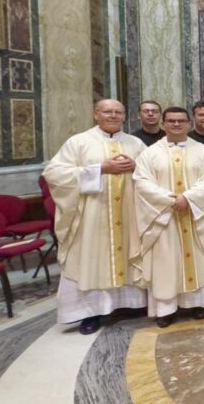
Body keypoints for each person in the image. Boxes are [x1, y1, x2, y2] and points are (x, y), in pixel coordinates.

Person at [42, 99, 147, 334]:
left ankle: (129, 304)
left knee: (129, 254)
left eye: (118, 112)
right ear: (96, 114)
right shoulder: (79, 142)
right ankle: (91, 312)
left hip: (129, 214)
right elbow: (54, 174)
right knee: (92, 260)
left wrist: (137, 167)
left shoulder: (136, 144)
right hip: (92, 217)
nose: (113, 115)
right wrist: (99, 169)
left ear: (124, 116)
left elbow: (153, 172)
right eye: (107, 111)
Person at [132, 107, 204, 327]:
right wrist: (169, 200)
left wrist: (189, 198)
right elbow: (142, 182)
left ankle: (197, 304)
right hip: (164, 217)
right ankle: (166, 310)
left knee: (197, 259)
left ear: (189, 124)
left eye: (181, 121)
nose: (176, 124)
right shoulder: (149, 153)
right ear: (163, 124)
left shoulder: (203, 151)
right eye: (171, 121)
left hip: (194, 215)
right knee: (165, 263)